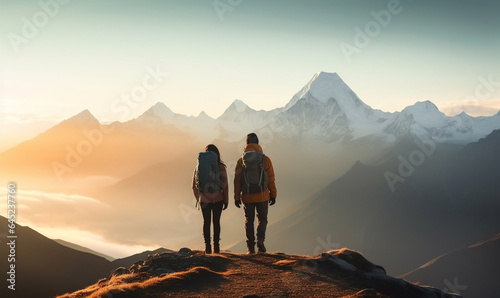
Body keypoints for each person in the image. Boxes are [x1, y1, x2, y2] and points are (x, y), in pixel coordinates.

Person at [234, 133, 277, 254]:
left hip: (247, 196)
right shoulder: (265, 159)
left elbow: (237, 181)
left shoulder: (241, 161)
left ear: (246, 144)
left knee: (249, 220)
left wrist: (237, 197)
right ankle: (260, 240)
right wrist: (273, 194)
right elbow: (271, 179)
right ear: (258, 143)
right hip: (263, 195)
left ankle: (250, 248)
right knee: (262, 219)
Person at [192, 144, 229, 254]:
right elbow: (225, 185)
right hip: (218, 198)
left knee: (206, 222)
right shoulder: (221, 167)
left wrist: (199, 198)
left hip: (204, 199)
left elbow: (193, 186)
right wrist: (226, 200)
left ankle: (207, 247)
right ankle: (216, 247)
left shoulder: (198, 167)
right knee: (216, 222)